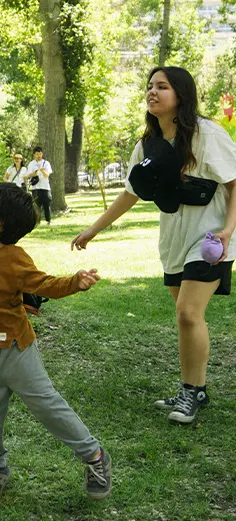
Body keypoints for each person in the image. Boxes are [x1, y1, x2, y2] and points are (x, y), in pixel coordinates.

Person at [71, 66, 236, 424]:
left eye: (162, 86)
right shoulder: (146, 145)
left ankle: (190, 394)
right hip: (173, 241)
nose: (153, 92)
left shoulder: (207, 134)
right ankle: (197, 388)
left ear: (181, 94)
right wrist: (92, 229)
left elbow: (235, 182)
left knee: (188, 314)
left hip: (210, 240)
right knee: (186, 319)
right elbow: (130, 193)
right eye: (150, 86)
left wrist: (227, 230)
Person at [0, 170, 112, 501]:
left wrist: (73, 282)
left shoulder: (14, 259)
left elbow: (44, 283)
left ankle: (95, 458)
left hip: (16, 351)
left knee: (49, 408)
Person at [26, 147, 53, 224]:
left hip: (45, 187)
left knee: (46, 204)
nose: (39, 155)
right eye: (37, 154)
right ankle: (38, 221)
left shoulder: (46, 163)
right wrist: (37, 171)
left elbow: (47, 175)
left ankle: (48, 220)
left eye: (40, 154)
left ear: (42, 154)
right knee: (37, 205)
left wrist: (42, 170)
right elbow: (29, 174)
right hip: (36, 187)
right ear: (34, 154)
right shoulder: (31, 164)